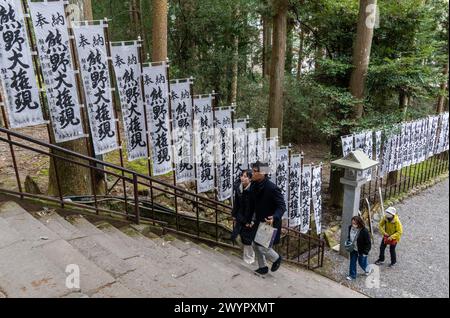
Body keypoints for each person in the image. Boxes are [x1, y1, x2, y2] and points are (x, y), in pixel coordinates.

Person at [249, 161, 286, 275]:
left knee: (263, 246)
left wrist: (274, 217)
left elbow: (282, 206)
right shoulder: (254, 185)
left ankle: (277, 258)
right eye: (253, 171)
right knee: (255, 244)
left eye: (255, 171)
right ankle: (263, 267)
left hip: (269, 222)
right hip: (258, 220)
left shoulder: (272, 188)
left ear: (263, 173)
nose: (253, 173)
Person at [231, 169, 255, 263]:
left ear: (250, 179)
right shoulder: (238, 187)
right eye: (242, 176)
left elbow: (256, 207)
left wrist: (252, 220)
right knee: (237, 235)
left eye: (245, 176)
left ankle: (249, 258)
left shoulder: (254, 190)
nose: (242, 178)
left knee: (247, 238)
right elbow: (236, 202)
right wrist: (234, 214)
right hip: (241, 215)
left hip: (249, 217)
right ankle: (247, 253)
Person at [346, 216, 372, 281]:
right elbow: (349, 236)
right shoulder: (350, 227)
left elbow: (368, 243)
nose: (353, 225)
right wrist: (348, 242)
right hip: (353, 249)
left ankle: (368, 270)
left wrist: (365, 252)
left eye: (355, 223)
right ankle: (352, 275)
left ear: (359, 223)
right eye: (352, 223)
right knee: (352, 262)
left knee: (362, 262)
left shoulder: (364, 231)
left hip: (362, 250)